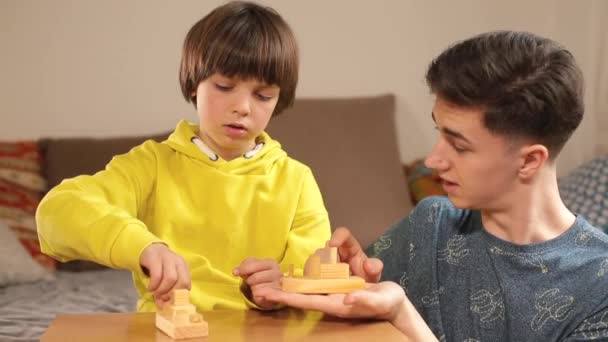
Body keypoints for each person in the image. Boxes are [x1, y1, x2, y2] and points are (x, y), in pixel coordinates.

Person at [259, 31, 608, 341]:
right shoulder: (430, 224)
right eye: (440, 133)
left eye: (459, 145)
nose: (433, 160)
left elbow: (396, 310)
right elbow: (340, 310)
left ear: (529, 161)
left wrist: (402, 315)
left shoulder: (599, 285)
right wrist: (313, 284)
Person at [36, 1, 330, 313]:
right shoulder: (151, 165)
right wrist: (143, 246)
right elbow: (56, 213)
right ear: (193, 85)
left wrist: (283, 282)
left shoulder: (297, 180)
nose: (243, 106)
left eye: (263, 95)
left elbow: (319, 277)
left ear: (279, 99)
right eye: (225, 86)